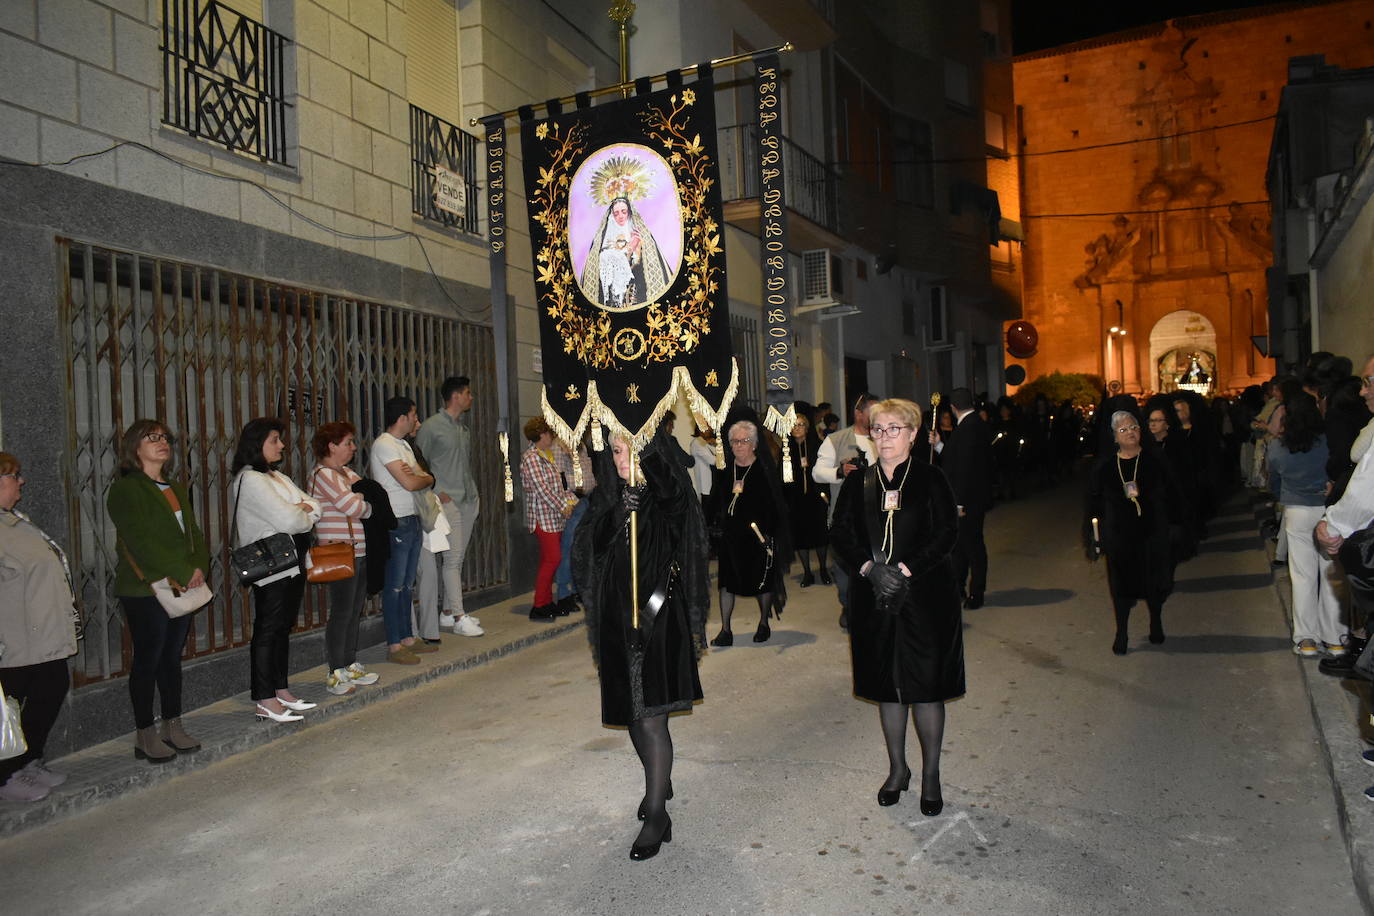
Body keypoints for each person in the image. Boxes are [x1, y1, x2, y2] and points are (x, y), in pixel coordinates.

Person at [571, 430, 709, 861]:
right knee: (632, 712)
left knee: (652, 716)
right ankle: (657, 776)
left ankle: (656, 814)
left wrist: (643, 446)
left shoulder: (666, 490)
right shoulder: (610, 496)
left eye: (630, 449)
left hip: (658, 615)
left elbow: (675, 503)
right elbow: (586, 549)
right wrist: (614, 514)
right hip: (616, 616)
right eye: (615, 451)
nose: (622, 458)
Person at [828, 399, 964, 817]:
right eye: (879, 429)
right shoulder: (858, 483)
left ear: (912, 434)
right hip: (874, 598)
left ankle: (932, 775)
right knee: (887, 683)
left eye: (894, 429)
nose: (885, 436)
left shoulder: (930, 478)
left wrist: (904, 570)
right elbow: (841, 533)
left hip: (924, 597)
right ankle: (898, 770)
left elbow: (946, 533)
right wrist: (869, 569)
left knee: (925, 686)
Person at [107, 420, 211, 762]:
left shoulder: (173, 486)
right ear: (135, 447)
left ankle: (172, 724)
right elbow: (140, 541)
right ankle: (144, 733)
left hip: (181, 583)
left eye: (165, 437)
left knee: (171, 658)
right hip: (144, 588)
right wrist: (183, 570)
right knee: (148, 659)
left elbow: (193, 532)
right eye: (152, 438)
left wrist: (198, 567)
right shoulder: (126, 489)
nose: (162, 442)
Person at [0, 453, 80, 801]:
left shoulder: (17, 521)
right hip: (14, 638)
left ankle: (28, 759)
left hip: (43, 631)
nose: (22, 482)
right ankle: (6, 775)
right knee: (10, 707)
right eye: (14, 476)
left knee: (52, 686)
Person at [231, 418, 322, 721]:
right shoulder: (251, 479)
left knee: (282, 627)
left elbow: (314, 504)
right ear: (257, 444)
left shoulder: (276, 477)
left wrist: (304, 510)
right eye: (274, 440)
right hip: (272, 565)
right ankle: (264, 697)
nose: (282, 445)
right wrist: (303, 511)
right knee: (268, 629)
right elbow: (291, 520)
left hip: (292, 562)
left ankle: (280, 688)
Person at [1087, 409, 1180, 655]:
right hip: (1120, 535)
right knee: (1121, 585)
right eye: (1123, 430)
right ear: (1114, 437)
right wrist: (1095, 539)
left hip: (1152, 531)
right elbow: (1094, 505)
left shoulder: (1155, 459)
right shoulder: (1105, 467)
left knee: (1154, 582)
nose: (1130, 433)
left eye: (1134, 427)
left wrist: (1173, 526)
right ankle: (1122, 632)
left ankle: (1156, 621)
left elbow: (1173, 494)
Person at [308, 421, 380, 696]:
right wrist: (360, 499)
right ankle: (336, 670)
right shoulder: (323, 474)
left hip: (358, 549)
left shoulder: (344, 472)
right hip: (339, 550)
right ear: (332, 446)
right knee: (341, 612)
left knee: (354, 611)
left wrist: (360, 498)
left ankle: (349, 663)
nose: (352, 448)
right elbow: (353, 505)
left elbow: (369, 500)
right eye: (348, 442)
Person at [707, 408, 790, 645]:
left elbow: (775, 505)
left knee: (761, 583)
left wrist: (768, 534)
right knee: (726, 584)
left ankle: (763, 623)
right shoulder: (725, 470)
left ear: (753, 444)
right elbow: (716, 499)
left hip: (756, 537)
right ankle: (725, 630)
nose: (738, 446)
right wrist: (712, 523)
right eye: (734, 441)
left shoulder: (764, 470)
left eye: (743, 441)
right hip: (730, 537)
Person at [1268, 391, 1340, 657]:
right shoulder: (1327, 441)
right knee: (1331, 573)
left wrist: (1282, 496)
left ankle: (1306, 639)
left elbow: (1273, 479)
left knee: (1302, 575)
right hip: (1327, 508)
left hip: (1297, 509)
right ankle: (1334, 638)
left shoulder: (1279, 446)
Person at [368, 397, 438, 665]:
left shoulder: (404, 446)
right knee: (394, 585)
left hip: (413, 517)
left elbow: (424, 475)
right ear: (402, 418)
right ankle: (394, 644)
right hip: (395, 520)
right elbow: (410, 481)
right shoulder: (384, 444)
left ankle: (409, 638)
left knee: (408, 583)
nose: (415, 419)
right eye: (413, 414)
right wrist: (423, 478)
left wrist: (424, 477)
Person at [414, 376, 484, 638]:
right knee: (452, 561)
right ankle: (458, 616)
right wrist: (436, 491)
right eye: (468, 393)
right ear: (455, 396)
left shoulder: (462, 429)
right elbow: (419, 462)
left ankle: (446, 613)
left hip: (468, 498)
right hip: (447, 501)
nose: (471, 397)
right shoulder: (432, 427)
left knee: (458, 558)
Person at [814, 393, 880, 629]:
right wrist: (840, 472)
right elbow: (817, 472)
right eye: (872, 413)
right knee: (844, 565)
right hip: (846, 516)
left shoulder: (882, 437)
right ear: (858, 413)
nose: (877, 419)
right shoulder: (837, 440)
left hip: (877, 516)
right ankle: (847, 604)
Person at [930, 388, 993, 609]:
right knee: (960, 546)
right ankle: (958, 586)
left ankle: (977, 592)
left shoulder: (969, 427)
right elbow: (956, 458)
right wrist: (938, 444)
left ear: (953, 408)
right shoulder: (973, 424)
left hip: (968, 500)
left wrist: (958, 503)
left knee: (972, 546)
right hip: (971, 497)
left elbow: (965, 469)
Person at [520, 416, 576, 621]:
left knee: (549, 559)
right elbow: (542, 489)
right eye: (550, 433)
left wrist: (570, 501)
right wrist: (563, 506)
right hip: (542, 516)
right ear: (541, 434)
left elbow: (559, 485)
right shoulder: (531, 457)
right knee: (553, 558)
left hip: (554, 516)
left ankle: (545, 602)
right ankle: (538, 605)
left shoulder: (548, 454)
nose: (552, 436)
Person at [579, 195, 671, 309]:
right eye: (616, 213)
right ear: (612, 215)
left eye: (624, 212)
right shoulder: (605, 237)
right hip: (614, 298)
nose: (620, 216)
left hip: (638, 293)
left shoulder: (640, 234)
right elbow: (604, 261)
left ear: (629, 212)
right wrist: (630, 248)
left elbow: (649, 263)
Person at [784, 411, 830, 587]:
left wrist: (825, 495)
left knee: (820, 535)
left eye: (801, 424)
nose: (797, 428)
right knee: (800, 537)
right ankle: (807, 573)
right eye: (794, 425)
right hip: (796, 499)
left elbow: (826, 469)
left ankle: (824, 569)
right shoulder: (786, 449)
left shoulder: (817, 445)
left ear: (807, 427)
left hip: (815, 497)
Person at [553, 436, 595, 615]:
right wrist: (575, 493)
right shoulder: (560, 446)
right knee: (568, 548)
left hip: (586, 500)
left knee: (582, 548)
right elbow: (559, 477)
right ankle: (564, 593)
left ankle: (578, 589)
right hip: (572, 501)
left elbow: (587, 469)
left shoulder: (581, 445)